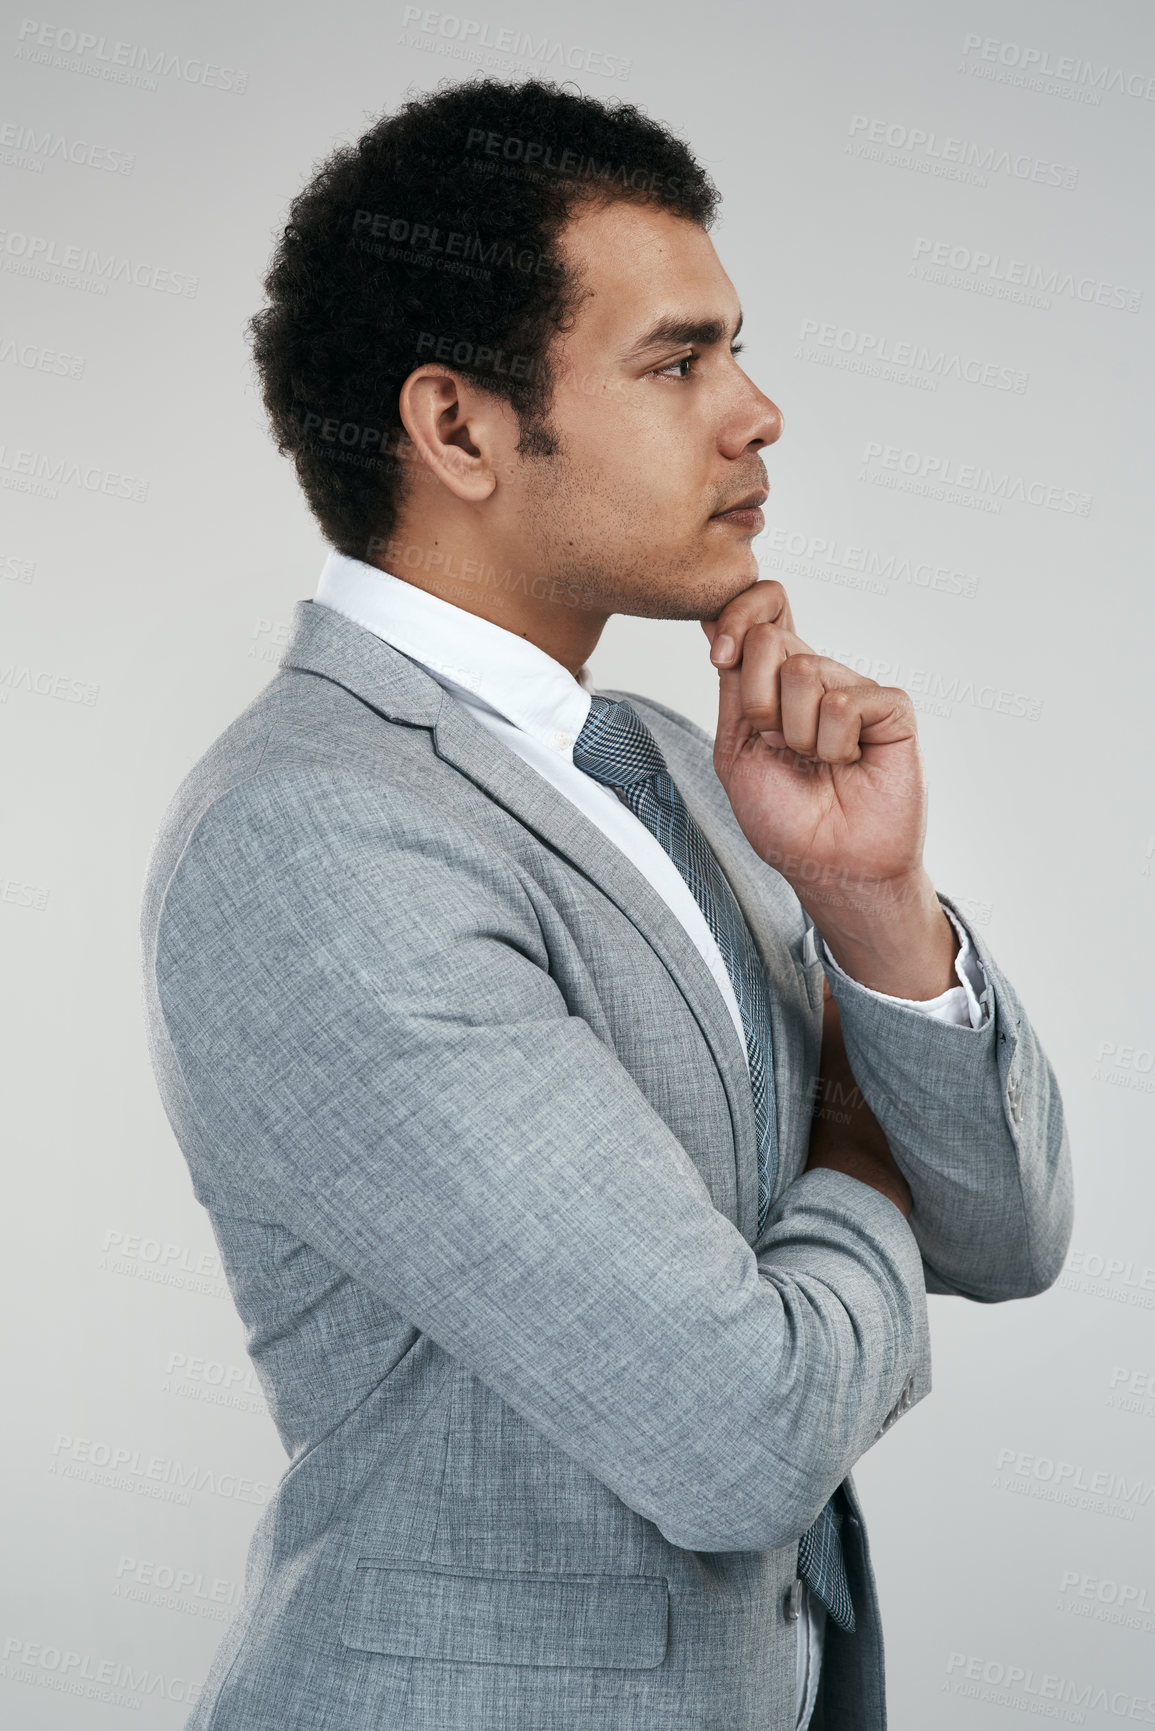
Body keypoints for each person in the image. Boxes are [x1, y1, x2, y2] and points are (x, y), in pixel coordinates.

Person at [139, 76, 1073, 1731]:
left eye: (735, 349)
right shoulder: (320, 835)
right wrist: (861, 1150)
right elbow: (743, 1436)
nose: (758, 411)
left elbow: (1006, 1235)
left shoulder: (671, 755)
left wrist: (870, 906)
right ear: (459, 429)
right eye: (679, 361)